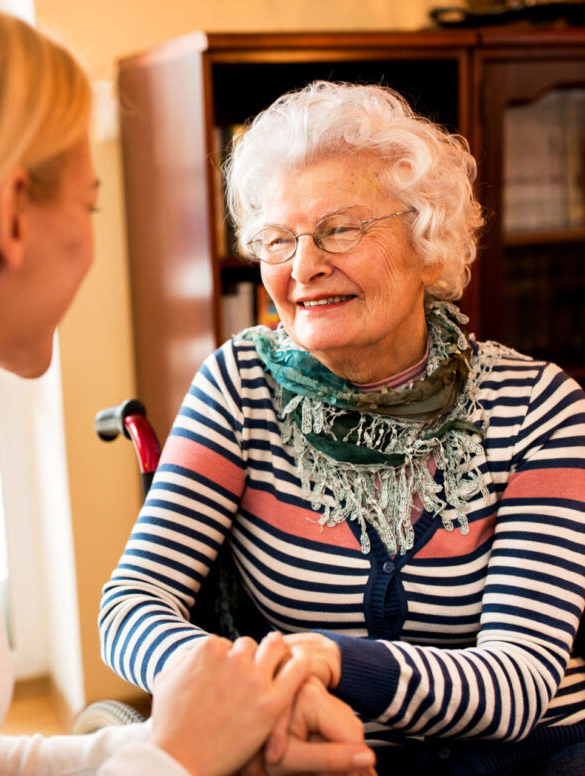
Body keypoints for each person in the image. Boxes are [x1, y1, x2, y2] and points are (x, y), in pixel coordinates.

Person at [0, 3, 378, 775]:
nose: (305, 266)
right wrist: (176, 757)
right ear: (13, 216)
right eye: (88, 204)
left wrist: (179, 744)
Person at [100, 81, 585, 775]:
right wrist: (247, 686)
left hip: (530, 756)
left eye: (340, 229)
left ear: (428, 240)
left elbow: (513, 687)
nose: (302, 267)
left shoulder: (538, 406)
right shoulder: (239, 385)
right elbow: (129, 607)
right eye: (277, 239)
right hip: (320, 752)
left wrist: (324, 661)